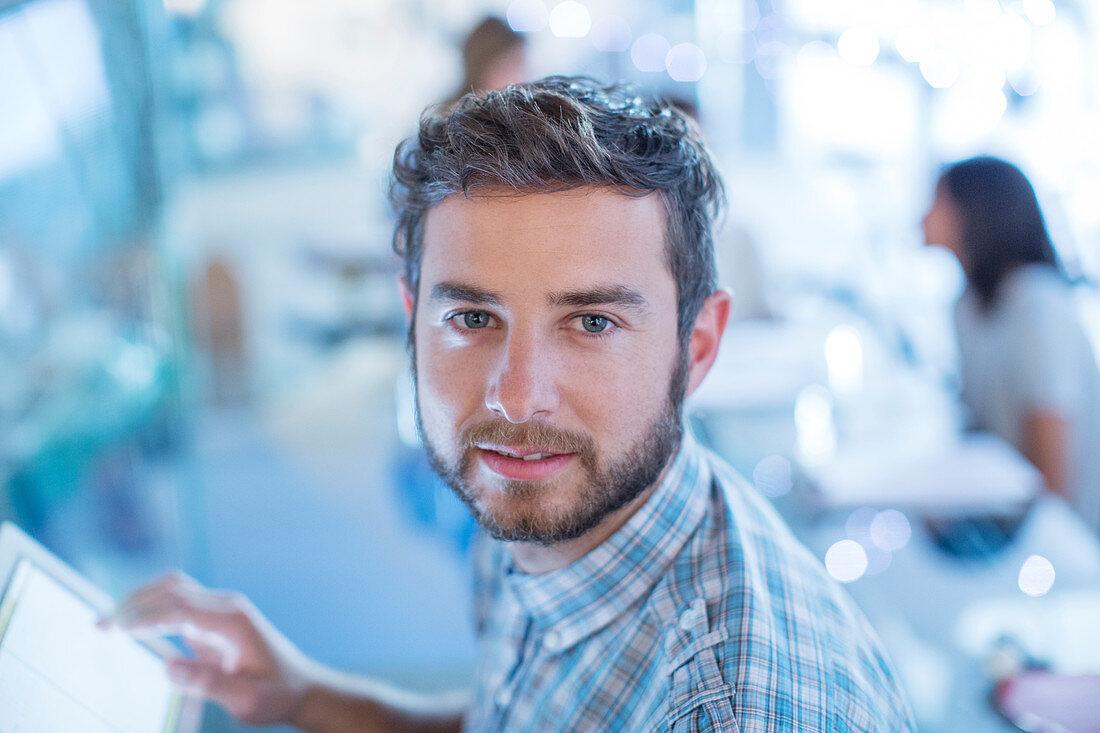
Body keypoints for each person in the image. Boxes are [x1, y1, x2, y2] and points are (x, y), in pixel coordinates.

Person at [105, 77, 915, 731]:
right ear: (411, 316)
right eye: (471, 318)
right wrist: (303, 694)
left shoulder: (732, 710)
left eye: (592, 321)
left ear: (696, 346)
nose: (517, 394)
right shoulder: (540, 498)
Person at [923, 156, 1100, 533]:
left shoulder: (1038, 305)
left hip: (1066, 539)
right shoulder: (968, 304)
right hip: (1001, 513)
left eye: (938, 201)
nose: (922, 215)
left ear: (975, 212)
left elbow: (1053, 482)